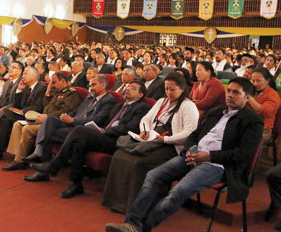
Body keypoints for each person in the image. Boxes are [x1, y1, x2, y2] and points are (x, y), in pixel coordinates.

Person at [105, 77, 264, 232]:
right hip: (192, 156)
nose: (230, 95)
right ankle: (131, 222)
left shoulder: (252, 121)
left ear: (247, 97)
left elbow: (243, 154)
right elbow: (195, 135)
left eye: (236, 92)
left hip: (217, 165)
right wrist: (189, 149)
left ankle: (140, 228)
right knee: (153, 176)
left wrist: (209, 156)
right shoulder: (216, 112)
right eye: (228, 91)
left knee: (178, 191)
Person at [28, 80, 150, 198]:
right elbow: (106, 121)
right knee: (79, 142)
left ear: (140, 94)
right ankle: (76, 184)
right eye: (128, 86)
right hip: (102, 135)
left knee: (79, 130)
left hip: (115, 140)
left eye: (133, 88)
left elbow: (130, 127)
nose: (128, 88)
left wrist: (105, 131)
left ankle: (54, 165)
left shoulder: (143, 108)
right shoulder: (119, 105)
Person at [102, 72, 199, 213]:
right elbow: (146, 119)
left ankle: (133, 205)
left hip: (170, 145)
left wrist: (165, 139)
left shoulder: (188, 106)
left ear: (182, 88)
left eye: (172, 89)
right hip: (152, 138)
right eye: (166, 89)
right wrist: (145, 130)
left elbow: (189, 133)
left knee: (138, 163)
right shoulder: (162, 101)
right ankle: (115, 201)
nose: (169, 92)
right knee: (119, 155)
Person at [22, 75, 116, 175]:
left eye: (94, 85)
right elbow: (77, 110)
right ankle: (39, 152)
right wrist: (66, 116)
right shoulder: (90, 97)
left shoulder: (108, 100)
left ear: (103, 85)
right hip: (73, 124)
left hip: (84, 130)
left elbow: (97, 120)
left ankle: (44, 170)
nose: (91, 88)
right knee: (50, 120)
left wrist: (73, 120)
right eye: (90, 85)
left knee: (50, 132)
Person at [1, 72, 82, 171]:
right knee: (17, 124)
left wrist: (47, 117)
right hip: (43, 119)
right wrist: (47, 93)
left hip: (54, 123)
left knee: (27, 129)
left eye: (54, 82)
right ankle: (16, 156)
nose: (52, 85)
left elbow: (66, 111)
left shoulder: (72, 94)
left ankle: (19, 161)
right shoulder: (56, 92)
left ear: (62, 81)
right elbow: (46, 106)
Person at [247, 68, 281, 142]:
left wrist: (249, 98)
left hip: (263, 129)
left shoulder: (273, 95)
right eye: (253, 81)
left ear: (267, 81)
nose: (255, 83)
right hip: (247, 124)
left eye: (258, 81)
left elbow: (265, 111)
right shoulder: (253, 91)